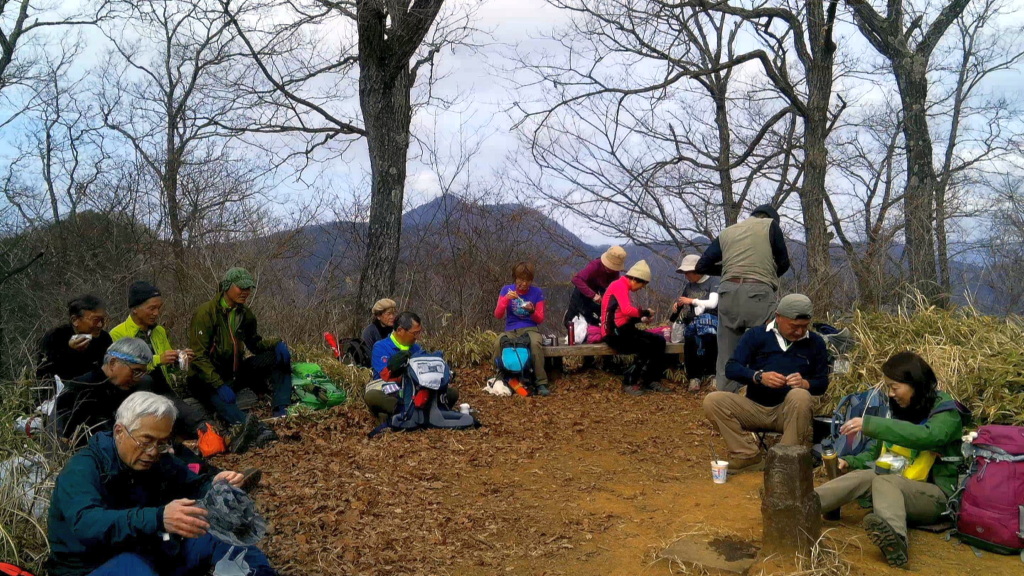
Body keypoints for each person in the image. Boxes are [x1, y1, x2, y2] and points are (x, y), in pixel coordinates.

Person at [46, 392, 277, 576]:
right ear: (119, 431)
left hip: (152, 548)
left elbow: (193, 484)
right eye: (145, 441)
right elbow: (87, 524)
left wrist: (215, 482)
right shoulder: (82, 468)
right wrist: (159, 518)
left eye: (162, 442)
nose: (153, 452)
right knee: (133, 565)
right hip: (93, 565)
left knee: (220, 535)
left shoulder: (159, 459)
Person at [815, 352, 968, 568]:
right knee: (862, 477)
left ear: (915, 384)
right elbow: (878, 455)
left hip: (935, 497)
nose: (890, 394)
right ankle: (805, 504)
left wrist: (870, 424)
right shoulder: (899, 410)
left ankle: (896, 540)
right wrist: (849, 462)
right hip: (896, 481)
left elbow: (928, 436)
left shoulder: (946, 413)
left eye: (895, 388)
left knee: (884, 481)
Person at [702, 294, 829, 474]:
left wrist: (805, 383)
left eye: (804, 327)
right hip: (754, 408)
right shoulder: (756, 335)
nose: (800, 332)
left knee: (800, 395)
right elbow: (731, 368)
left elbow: (822, 383)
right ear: (778, 317)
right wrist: (758, 376)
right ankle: (747, 455)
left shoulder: (815, 343)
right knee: (712, 401)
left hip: (788, 413)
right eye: (794, 326)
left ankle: (784, 460)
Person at [110, 281, 226, 453]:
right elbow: (123, 372)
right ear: (135, 308)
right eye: (151, 308)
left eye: (159, 308)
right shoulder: (117, 333)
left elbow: (167, 367)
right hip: (136, 395)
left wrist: (179, 359)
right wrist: (158, 359)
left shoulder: (159, 332)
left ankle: (212, 440)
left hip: (163, 389)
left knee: (195, 419)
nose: (156, 313)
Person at [187, 268, 288, 448]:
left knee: (277, 357)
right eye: (241, 287)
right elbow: (198, 357)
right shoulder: (206, 313)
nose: (246, 292)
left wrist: (276, 344)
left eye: (248, 287)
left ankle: (281, 409)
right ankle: (253, 429)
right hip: (206, 377)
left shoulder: (245, 314)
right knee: (213, 391)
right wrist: (218, 384)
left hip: (234, 372)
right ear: (226, 287)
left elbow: (254, 344)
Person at [695, 204, 790, 392]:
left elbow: (701, 266)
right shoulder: (771, 225)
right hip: (759, 293)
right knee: (769, 345)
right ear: (770, 218)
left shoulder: (727, 232)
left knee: (726, 356)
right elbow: (784, 263)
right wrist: (766, 274)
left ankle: (725, 404)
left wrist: (731, 270)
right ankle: (765, 401)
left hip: (728, 294)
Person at [365, 312, 458, 423]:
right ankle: (404, 410)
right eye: (415, 333)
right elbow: (384, 375)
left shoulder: (416, 348)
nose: (417, 337)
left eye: (419, 333)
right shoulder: (381, 347)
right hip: (391, 391)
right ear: (400, 330)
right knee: (372, 396)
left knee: (452, 393)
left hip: (415, 390)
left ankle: (404, 412)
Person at [54, 338, 152, 441]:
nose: (138, 378)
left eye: (142, 373)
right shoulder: (79, 389)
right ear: (113, 363)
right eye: (136, 371)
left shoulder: (139, 389)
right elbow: (61, 437)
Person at [602, 260, 668, 395]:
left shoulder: (623, 287)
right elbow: (626, 310)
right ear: (636, 280)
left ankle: (651, 379)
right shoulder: (619, 286)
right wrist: (645, 312)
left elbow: (621, 314)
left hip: (623, 329)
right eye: (642, 285)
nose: (640, 288)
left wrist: (641, 318)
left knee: (659, 341)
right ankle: (629, 381)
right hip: (613, 333)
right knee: (645, 345)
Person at [492, 262, 550, 396]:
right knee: (497, 343)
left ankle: (541, 382)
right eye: (521, 279)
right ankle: (499, 376)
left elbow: (540, 319)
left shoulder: (537, 293)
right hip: (511, 328)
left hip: (530, 328)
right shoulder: (506, 290)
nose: (523, 283)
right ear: (515, 278)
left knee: (535, 344)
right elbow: (498, 315)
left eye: (527, 280)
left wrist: (532, 311)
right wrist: (506, 299)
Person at [36, 294, 114, 383]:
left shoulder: (104, 338)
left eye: (103, 320)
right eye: (95, 320)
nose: (100, 325)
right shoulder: (54, 337)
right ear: (75, 320)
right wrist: (70, 351)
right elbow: (44, 375)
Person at [671, 254, 720, 392]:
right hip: (693, 321)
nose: (686, 275)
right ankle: (694, 377)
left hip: (711, 320)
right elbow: (683, 301)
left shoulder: (713, 282)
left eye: (688, 272)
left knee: (710, 339)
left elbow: (713, 303)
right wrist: (677, 306)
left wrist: (692, 301)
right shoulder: (689, 286)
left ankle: (713, 374)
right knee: (690, 341)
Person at [564, 246, 626, 327]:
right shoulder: (595, 265)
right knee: (572, 321)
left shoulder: (615, 273)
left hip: (598, 292)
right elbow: (576, 279)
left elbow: (615, 286)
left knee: (594, 320)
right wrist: (593, 295)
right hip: (583, 291)